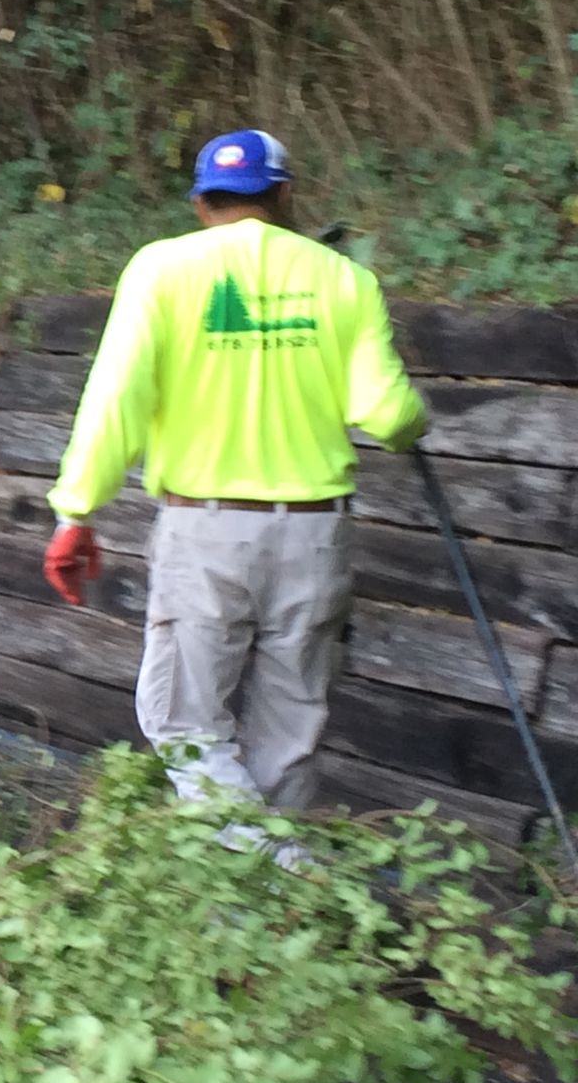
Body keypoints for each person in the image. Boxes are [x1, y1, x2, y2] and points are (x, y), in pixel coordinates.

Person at [42, 129, 427, 827]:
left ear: (199, 202)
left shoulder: (161, 271)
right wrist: (412, 421)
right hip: (315, 537)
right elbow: (390, 413)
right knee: (288, 738)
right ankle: (272, 910)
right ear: (283, 194)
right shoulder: (343, 278)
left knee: (185, 726)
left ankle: (279, 880)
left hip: (206, 531)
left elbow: (115, 399)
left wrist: (78, 513)